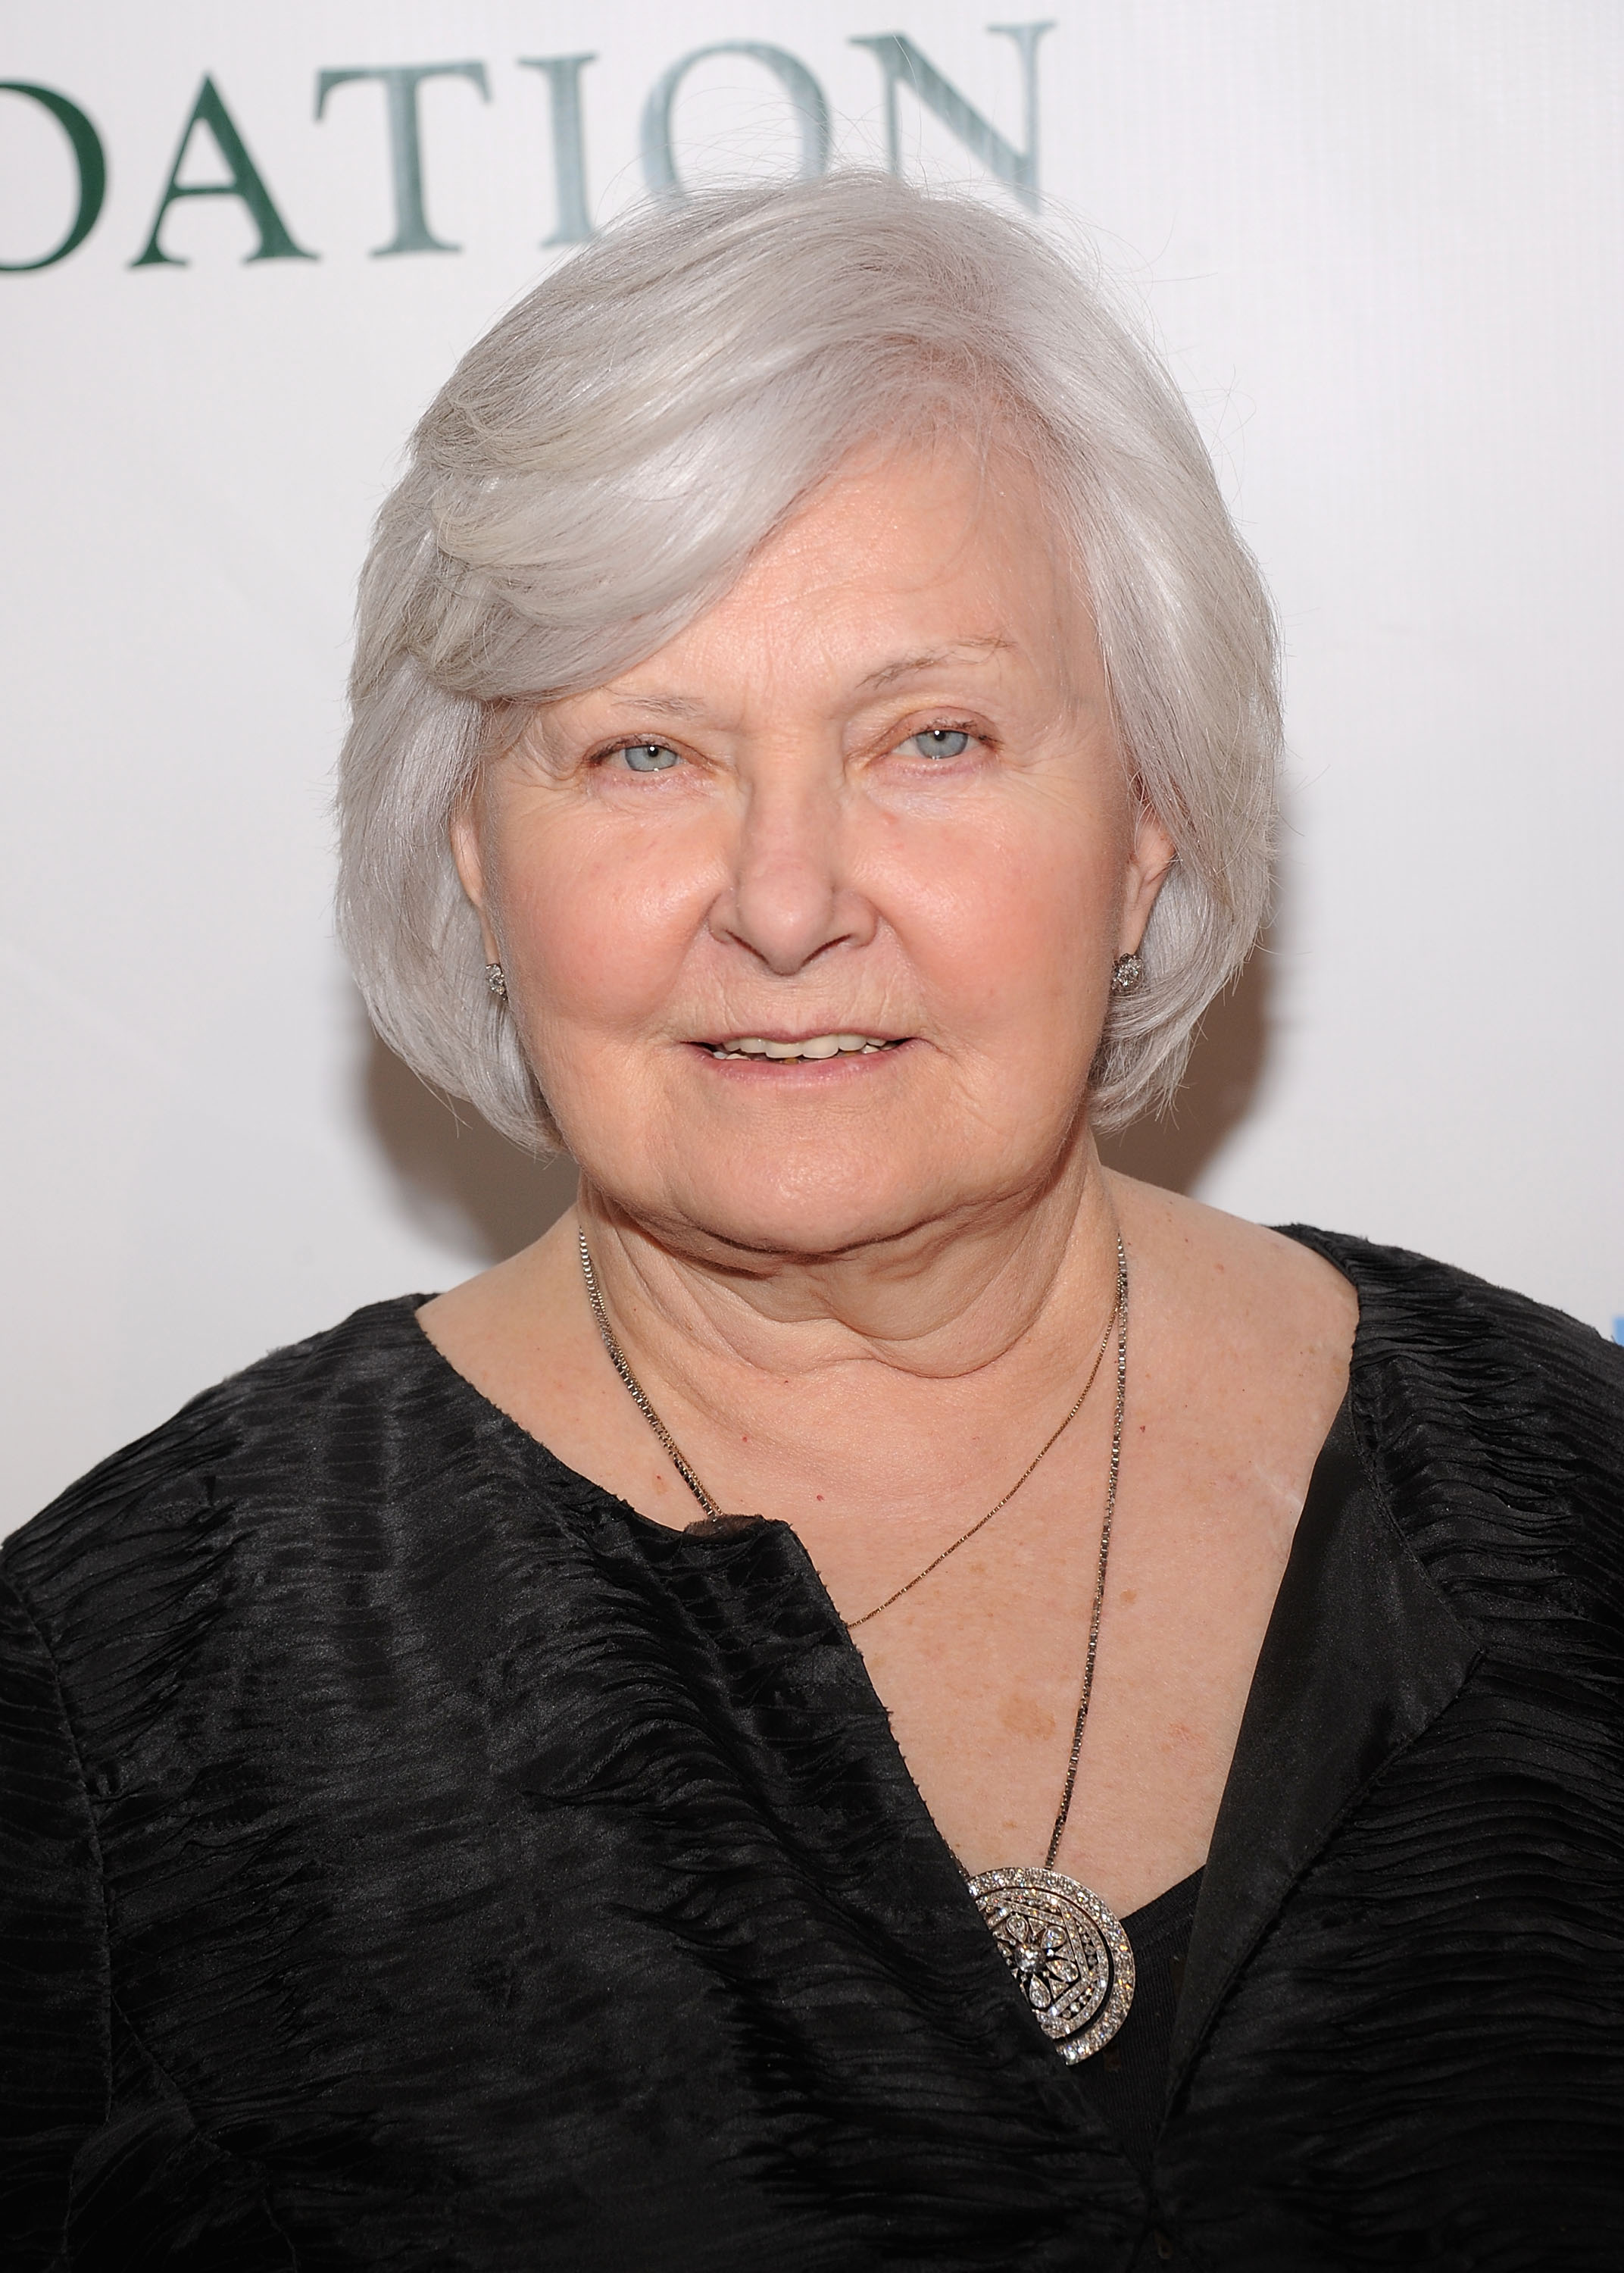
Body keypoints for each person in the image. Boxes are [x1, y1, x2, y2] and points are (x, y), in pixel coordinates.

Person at [2, 171, 1620, 2273]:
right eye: (645, 750)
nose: (784, 900)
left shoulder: (1576, 1499)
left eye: (931, 737)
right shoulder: (121, 1692)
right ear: (474, 852)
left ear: (1147, 828)